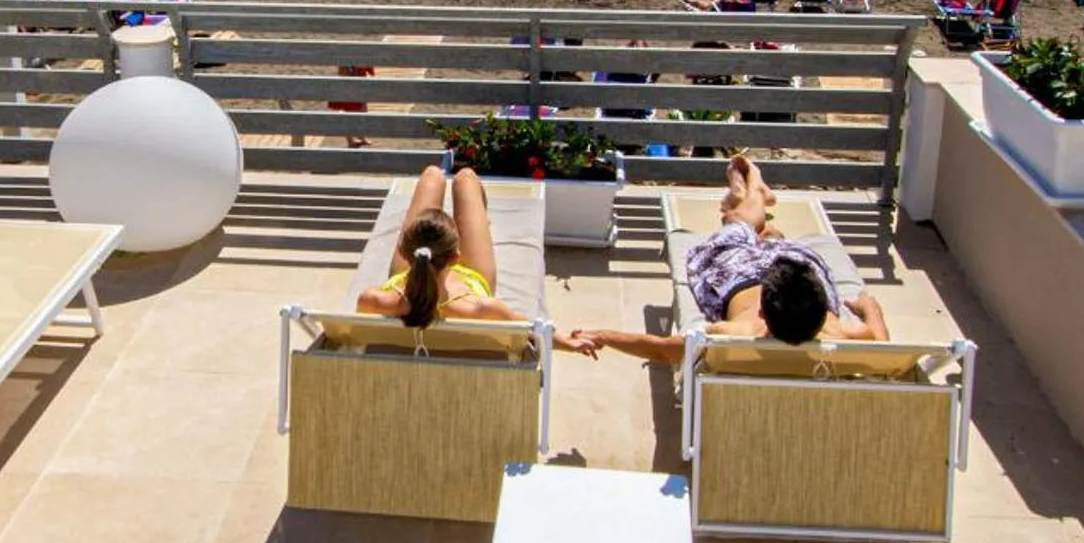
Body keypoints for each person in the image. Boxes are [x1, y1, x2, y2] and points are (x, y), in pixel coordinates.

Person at [574, 156, 887, 362]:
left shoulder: (736, 335)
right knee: (750, 230)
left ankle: (754, 196)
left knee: (738, 225)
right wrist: (869, 309)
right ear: (822, 309)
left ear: (762, 311)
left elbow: (660, 349)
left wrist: (602, 336)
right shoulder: (840, 335)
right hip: (790, 268)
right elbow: (882, 344)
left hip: (738, 271)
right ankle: (757, 203)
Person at [358, 165, 594, 351]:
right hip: (469, 281)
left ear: (405, 252)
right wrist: (567, 343)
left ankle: (468, 219)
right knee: (465, 177)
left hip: (405, 282)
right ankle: (482, 220)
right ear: (456, 256)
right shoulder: (483, 309)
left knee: (432, 174)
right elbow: (535, 331)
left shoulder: (372, 301)